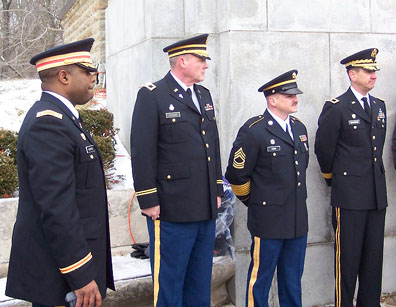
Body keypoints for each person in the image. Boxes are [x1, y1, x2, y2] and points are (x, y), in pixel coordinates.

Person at [5, 38, 115, 307]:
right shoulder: (49, 125)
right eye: (87, 70)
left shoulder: (65, 119)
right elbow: (57, 209)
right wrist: (79, 274)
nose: (94, 76)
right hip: (61, 278)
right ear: (64, 76)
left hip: (72, 269)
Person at [130, 33, 223, 306]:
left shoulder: (204, 96)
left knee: (199, 280)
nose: (206, 64)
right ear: (182, 61)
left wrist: (216, 190)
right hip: (171, 208)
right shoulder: (153, 96)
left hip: (204, 205)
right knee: (169, 282)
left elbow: (212, 148)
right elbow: (142, 150)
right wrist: (147, 198)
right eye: (201, 59)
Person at [225, 70, 309, 306]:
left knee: (292, 279)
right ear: (272, 99)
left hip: (296, 220)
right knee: (260, 280)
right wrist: (258, 201)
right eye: (289, 95)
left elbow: (301, 167)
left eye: (296, 95)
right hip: (268, 220)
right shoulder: (254, 130)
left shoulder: (299, 129)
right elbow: (236, 174)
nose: (296, 99)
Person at [315, 48, 386, 307]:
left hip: (376, 196)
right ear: (352, 74)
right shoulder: (337, 107)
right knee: (347, 261)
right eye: (367, 71)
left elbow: (376, 151)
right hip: (349, 196)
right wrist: (335, 180)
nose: (373, 76)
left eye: (374, 71)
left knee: (373, 260)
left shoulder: (379, 106)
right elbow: (324, 149)